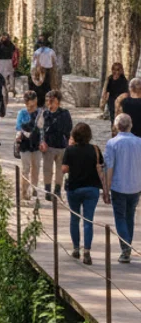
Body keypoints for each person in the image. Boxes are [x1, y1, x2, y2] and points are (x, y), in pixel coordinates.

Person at [63, 122, 107, 265]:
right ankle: (87, 251)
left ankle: (76, 248)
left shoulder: (70, 150)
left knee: (74, 219)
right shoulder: (95, 149)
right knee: (88, 220)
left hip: (74, 188)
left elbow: (64, 169)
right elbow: (101, 166)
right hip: (91, 188)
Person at [105, 113, 141, 263]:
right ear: (130, 125)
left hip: (119, 186)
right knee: (130, 217)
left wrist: (106, 188)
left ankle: (125, 248)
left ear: (116, 126)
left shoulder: (112, 143)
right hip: (135, 185)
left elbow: (109, 168)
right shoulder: (139, 142)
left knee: (120, 217)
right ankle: (127, 246)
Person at [41, 90, 73, 200]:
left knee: (60, 170)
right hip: (48, 146)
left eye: (52, 100)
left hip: (61, 146)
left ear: (58, 101)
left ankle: (57, 191)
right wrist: (42, 141)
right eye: (47, 100)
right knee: (47, 170)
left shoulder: (64, 113)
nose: (49, 103)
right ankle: (47, 191)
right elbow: (39, 129)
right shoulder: (44, 114)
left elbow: (68, 129)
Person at [17, 92, 44, 202]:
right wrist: (23, 133)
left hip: (36, 144)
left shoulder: (40, 113)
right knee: (26, 169)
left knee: (36, 167)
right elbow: (18, 126)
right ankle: (24, 192)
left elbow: (43, 128)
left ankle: (34, 188)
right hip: (25, 144)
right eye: (30, 103)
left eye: (34, 101)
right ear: (26, 102)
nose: (32, 105)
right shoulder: (22, 113)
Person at [0, 34, 17, 98]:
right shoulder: (10, 44)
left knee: (3, 75)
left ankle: (6, 89)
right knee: (10, 75)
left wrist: (0, 41)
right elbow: (14, 49)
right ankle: (10, 88)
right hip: (7, 61)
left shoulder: (0, 44)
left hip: (2, 61)